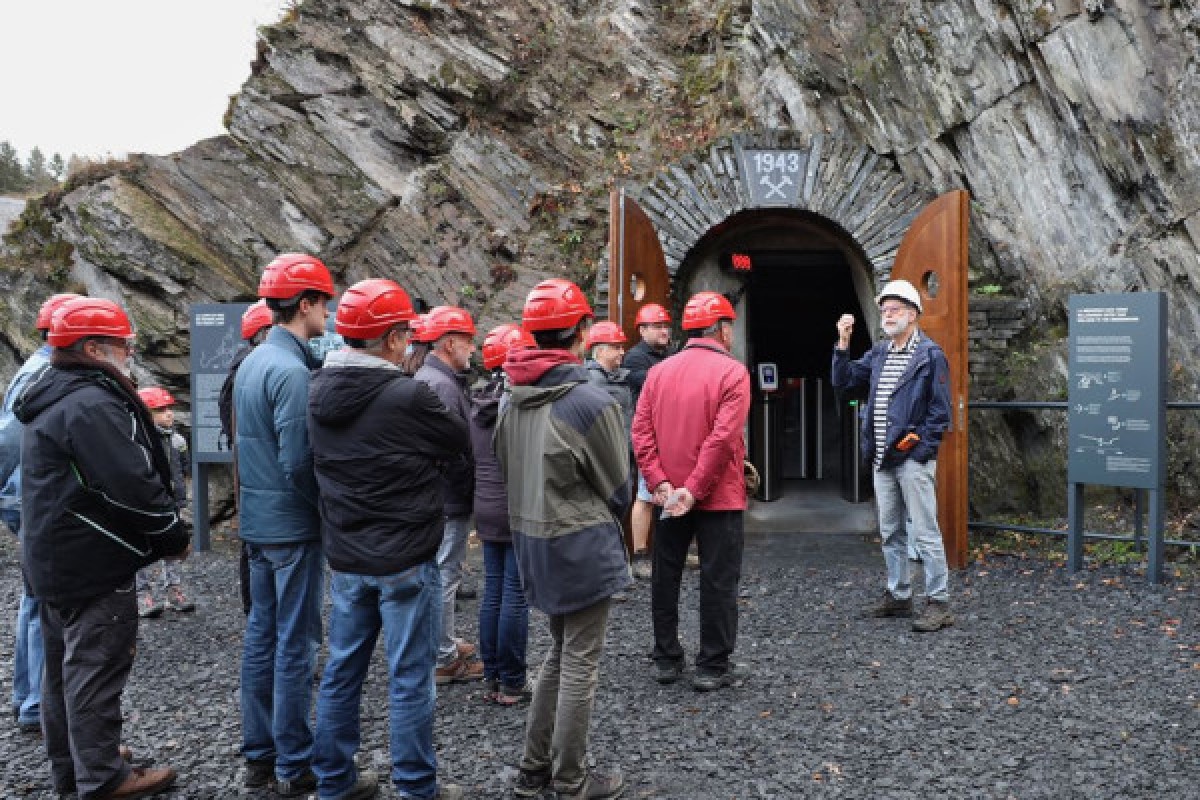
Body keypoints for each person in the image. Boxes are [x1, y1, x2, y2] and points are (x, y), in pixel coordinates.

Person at [16, 296, 189, 799]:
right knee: (95, 668)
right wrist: (170, 535)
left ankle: (77, 763)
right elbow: (128, 482)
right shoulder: (90, 403)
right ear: (93, 348)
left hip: (53, 553)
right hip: (91, 557)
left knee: (61, 670)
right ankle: (102, 777)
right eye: (123, 345)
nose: (129, 353)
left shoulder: (51, 392)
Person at [308, 279, 470, 800]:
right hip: (405, 557)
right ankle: (416, 787)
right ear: (396, 339)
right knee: (409, 677)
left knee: (342, 670)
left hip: (348, 555)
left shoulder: (315, 389)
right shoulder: (406, 395)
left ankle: (334, 782)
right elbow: (456, 441)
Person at [494, 278, 632, 800]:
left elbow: (504, 465)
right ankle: (571, 779)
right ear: (579, 332)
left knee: (559, 649)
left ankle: (534, 766)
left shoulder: (511, 396)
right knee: (580, 659)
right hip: (580, 542)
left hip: (532, 539)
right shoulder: (588, 400)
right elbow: (619, 483)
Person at [234, 252, 335, 796]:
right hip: (293, 530)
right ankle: (294, 764)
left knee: (261, 639)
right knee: (295, 644)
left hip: (256, 525)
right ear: (304, 304)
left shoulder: (253, 361)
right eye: (323, 301)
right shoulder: (292, 371)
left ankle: (259, 754)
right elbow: (299, 462)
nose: (330, 310)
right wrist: (327, 511)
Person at [632, 291, 751, 693]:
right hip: (718, 496)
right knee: (718, 579)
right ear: (721, 328)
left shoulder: (658, 372)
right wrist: (694, 490)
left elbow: (641, 433)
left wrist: (661, 483)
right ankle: (712, 664)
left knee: (666, 575)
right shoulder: (733, 373)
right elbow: (721, 440)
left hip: (667, 496)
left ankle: (666, 658)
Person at [831, 278, 953, 632]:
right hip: (882, 459)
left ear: (913, 314)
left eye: (894, 309)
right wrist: (842, 343)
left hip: (911, 459)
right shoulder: (881, 352)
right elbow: (845, 382)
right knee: (890, 531)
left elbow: (939, 413)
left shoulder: (930, 356)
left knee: (925, 530)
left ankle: (939, 602)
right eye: (884, 310)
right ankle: (899, 596)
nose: (887, 315)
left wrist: (920, 451)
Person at [0, 292, 78, 735]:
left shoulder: (35, 367)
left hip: (22, 497)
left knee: (32, 601)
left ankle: (27, 699)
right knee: (42, 601)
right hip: (32, 498)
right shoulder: (45, 372)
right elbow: (9, 441)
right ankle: (35, 704)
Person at [414, 306, 484, 684]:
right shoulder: (440, 385)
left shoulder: (434, 378)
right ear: (450, 342)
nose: (473, 348)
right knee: (445, 575)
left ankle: (442, 643)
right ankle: (442, 657)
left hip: (439, 496)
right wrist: (470, 488)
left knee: (441, 574)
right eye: (469, 340)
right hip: (447, 498)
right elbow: (451, 451)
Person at [473, 323, 535, 707]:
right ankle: (512, 681)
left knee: (492, 590)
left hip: (486, 506)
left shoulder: (477, 400)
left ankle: (493, 675)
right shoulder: (521, 404)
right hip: (515, 507)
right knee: (515, 594)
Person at [218, 299, 275, 616]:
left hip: (253, 478)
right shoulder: (249, 372)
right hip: (260, 479)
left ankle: (257, 614)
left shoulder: (241, 369)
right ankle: (257, 613)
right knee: (257, 554)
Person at [622, 303, 672, 580]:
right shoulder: (634, 359)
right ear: (642, 330)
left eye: (666, 326)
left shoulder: (668, 355)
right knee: (645, 495)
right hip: (648, 439)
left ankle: (667, 550)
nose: (665, 331)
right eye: (658, 326)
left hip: (668, 435)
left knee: (669, 492)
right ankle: (640, 555)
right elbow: (659, 386)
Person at [584, 321, 634, 432]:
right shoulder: (592, 381)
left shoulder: (619, 376)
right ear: (601, 351)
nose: (622, 352)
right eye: (617, 347)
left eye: (622, 347)